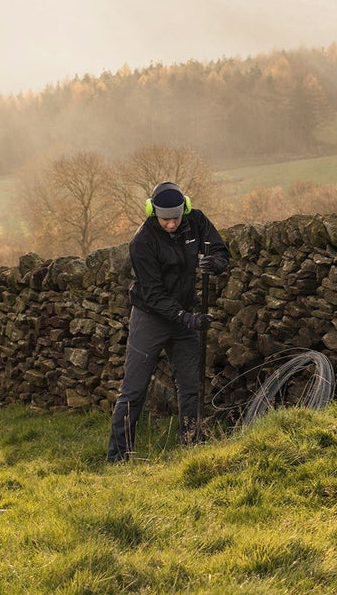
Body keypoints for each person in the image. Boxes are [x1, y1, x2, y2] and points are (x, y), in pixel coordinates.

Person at [106, 180, 229, 462]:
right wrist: (187, 319)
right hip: (150, 318)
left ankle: (190, 447)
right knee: (134, 390)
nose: (171, 225)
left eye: (175, 218)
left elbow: (220, 250)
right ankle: (118, 458)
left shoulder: (196, 220)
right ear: (153, 213)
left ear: (184, 210)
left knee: (190, 386)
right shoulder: (142, 242)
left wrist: (216, 264)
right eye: (165, 220)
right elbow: (154, 294)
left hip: (185, 316)